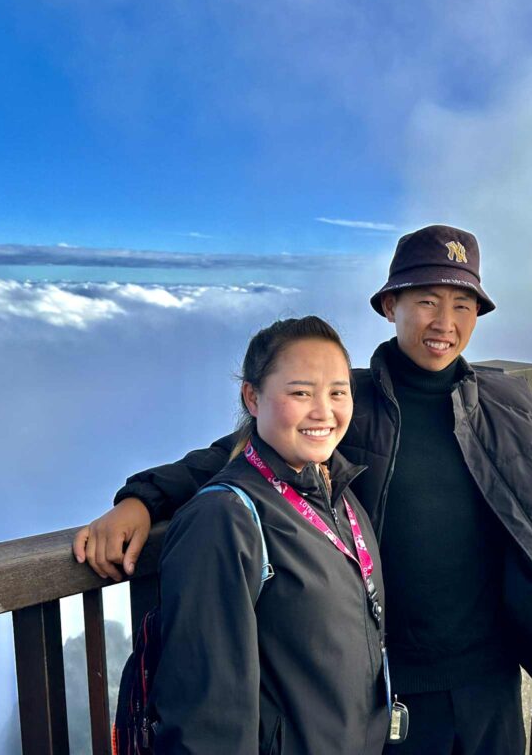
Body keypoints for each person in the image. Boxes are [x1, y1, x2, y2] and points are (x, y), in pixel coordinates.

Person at [74, 224, 532, 754]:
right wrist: (140, 500)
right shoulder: (346, 403)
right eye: (426, 301)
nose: (444, 322)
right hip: (388, 687)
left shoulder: (511, 403)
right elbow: (229, 459)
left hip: (491, 679)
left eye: (462, 304)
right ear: (389, 306)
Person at [143, 316, 389, 754]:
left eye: (337, 392)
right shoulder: (223, 520)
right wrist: (140, 499)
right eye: (301, 392)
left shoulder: (338, 495)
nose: (323, 411)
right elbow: (207, 721)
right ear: (252, 397)